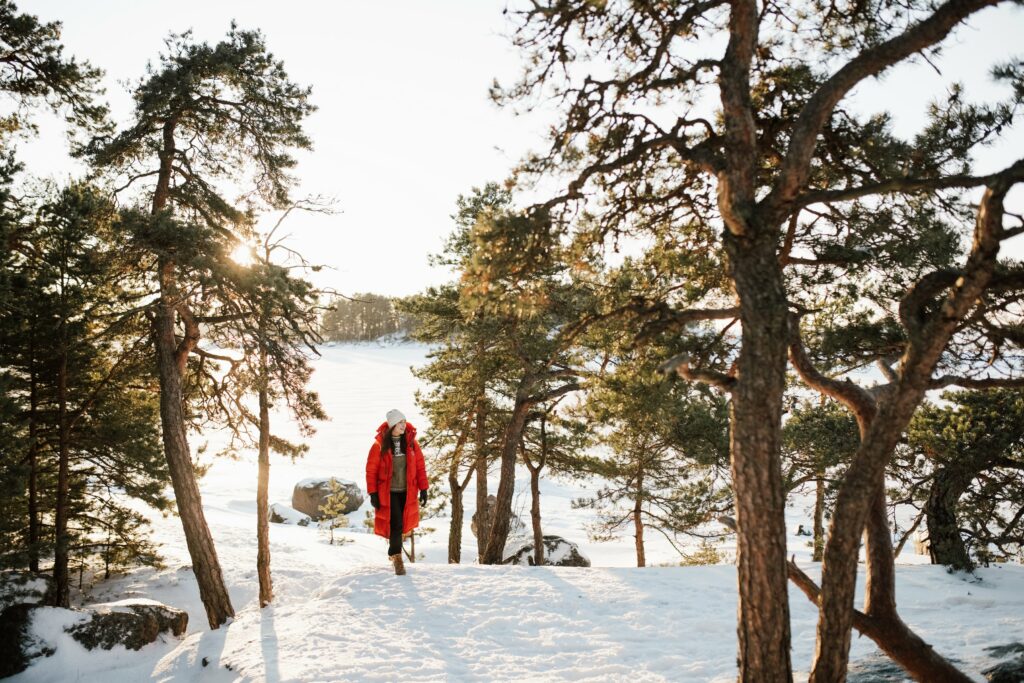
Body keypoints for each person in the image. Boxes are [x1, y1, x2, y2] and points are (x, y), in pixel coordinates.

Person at [365, 409, 429, 575]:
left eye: (404, 422)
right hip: (389, 492)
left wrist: (424, 489)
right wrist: (373, 493)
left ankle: (393, 553)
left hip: (407, 492)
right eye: (400, 422)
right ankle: (397, 557)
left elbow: (420, 467)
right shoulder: (379, 446)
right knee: (396, 523)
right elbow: (371, 471)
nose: (404, 425)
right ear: (392, 425)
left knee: (401, 526)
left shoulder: (412, 444)